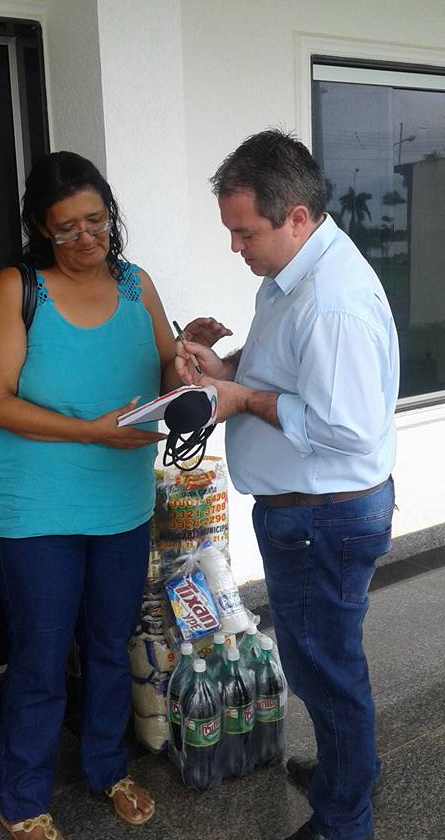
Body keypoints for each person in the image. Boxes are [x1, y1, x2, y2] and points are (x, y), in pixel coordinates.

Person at [0, 152, 228, 840]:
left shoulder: (137, 283)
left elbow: (161, 371)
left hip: (122, 503)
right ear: (38, 229)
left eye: (97, 222)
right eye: (67, 230)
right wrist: (88, 431)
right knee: (43, 654)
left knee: (111, 645)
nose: (87, 240)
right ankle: (22, 799)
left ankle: (107, 768)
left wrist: (189, 353)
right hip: (37, 511)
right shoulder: (19, 288)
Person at [176, 130, 399, 840]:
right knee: (330, 661)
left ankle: (343, 820)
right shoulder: (292, 273)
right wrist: (222, 367)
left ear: (296, 216)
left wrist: (239, 401)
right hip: (312, 513)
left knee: (325, 674)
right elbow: (279, 364)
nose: (236, 247)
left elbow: (349, 429)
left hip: (322, 519)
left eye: (245, 233)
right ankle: (347, 774)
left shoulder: (332, 302)